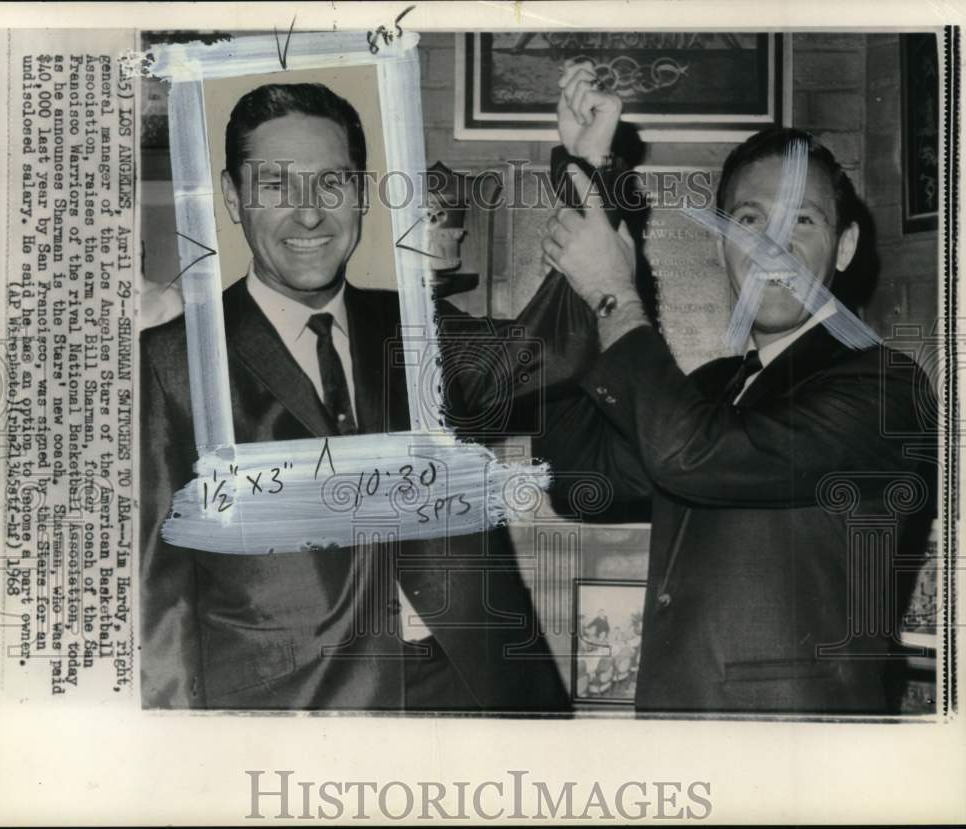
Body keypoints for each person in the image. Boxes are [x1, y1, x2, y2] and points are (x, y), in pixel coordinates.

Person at [139, 71, 623, 711]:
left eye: (332, 182)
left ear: (363, 194)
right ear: (233, 197)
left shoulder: (418, 326)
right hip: (296, 717)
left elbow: (551, 349)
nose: (308, 213)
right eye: (276, 184)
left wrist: (589, 166)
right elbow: (155, 596)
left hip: (475, 695)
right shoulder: (170, 360)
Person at [536, 108, 935, 713]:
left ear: (845, 246)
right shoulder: (719, 385)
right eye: (748, 220)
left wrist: (614, 292)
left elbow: (692, 454)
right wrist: (591, 204)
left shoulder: (886, 387)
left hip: (795, 763)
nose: (771, 244)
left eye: (801, 219)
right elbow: (578, 476)